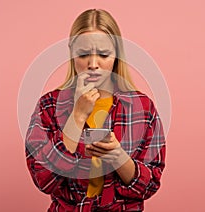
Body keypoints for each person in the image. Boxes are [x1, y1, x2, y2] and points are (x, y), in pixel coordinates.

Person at [25, 9, 166, 211]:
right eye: (83, 54)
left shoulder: (143, 108)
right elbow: (44, 179)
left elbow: (150, 184)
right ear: (72, 52)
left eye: (103, 54)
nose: (93, 64)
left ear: (117, 54)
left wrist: (118, 157)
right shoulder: (48, 106)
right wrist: (78, 116)